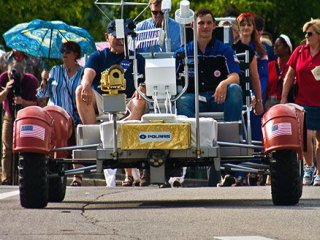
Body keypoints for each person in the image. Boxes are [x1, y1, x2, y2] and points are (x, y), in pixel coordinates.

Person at [75, 20, 147, 187]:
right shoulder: (98, 56)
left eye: (125, 36)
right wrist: (86, 84)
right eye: (117, 36)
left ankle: (124, 139)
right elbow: (88, 74)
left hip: (128, 101)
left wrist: (142, 86)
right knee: (80, 90)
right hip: (102, 100)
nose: (121, 39)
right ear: (107, 37)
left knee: (140, 99)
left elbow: (146, 80)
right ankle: (94, 139)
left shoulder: (137, 58)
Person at [175, 8, 242, 121]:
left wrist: (224, 84)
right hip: (193, 99)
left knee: (235, 89)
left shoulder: (225, 51)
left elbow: (235, 77)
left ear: (214, 25)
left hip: (218, 98)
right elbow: (169, 76)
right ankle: (194, 136)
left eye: (209, 23)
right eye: (201, 23)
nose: (205, 26)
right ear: (193, 26)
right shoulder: (183, 53)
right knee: (181, 101)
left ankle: (230, 133)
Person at [37, 41, 84, 186]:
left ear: (75, 54)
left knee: (77, 146)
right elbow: (42, 95)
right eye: (62, 51)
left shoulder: (83, 72)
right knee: (55, 146)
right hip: (56, 116)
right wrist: (44, 80)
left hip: (75, 115)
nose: (64, 54)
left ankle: (77, 177)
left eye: (68, 51)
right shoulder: (55, 71)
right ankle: (55, 175)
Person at [280, 19, 320, 186]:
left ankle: (319, 172)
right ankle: (309, 166)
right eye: (305, 33)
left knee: (319, 139)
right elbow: (289, 76)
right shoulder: (299, 51)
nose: (306, 36)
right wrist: (283, 97)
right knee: (306, 136)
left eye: (310, 33)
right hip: (303, 101)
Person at [0, 60, 38, 185]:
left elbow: (37, 103)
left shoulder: (31, 81)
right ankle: (6, 178)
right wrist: (6, 90)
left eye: (17, 76)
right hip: (9, 115)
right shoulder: (3, 78)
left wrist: (23, 101)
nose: (14, 78)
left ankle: (25, 177)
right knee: (7, 148)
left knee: (25, 148)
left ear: (23, 73)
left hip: (26, 116)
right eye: (11, 75)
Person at [237, 13, 269, 141]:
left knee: (255, 125)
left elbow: (263, 76)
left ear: (253, 28)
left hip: (256, 93)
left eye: (249, 24)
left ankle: (256, 153)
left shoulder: (261, 50)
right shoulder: (230, 48)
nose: (246, 27)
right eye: (242, 24)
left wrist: (257, 95)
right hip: (238, 91)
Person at [267, 34, 294, 109]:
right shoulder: (270, 65)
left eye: (278, 45)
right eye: (274, 45)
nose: (274, 47)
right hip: (270, 105)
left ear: (287, 48)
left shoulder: (293, 67)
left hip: (289, 104)